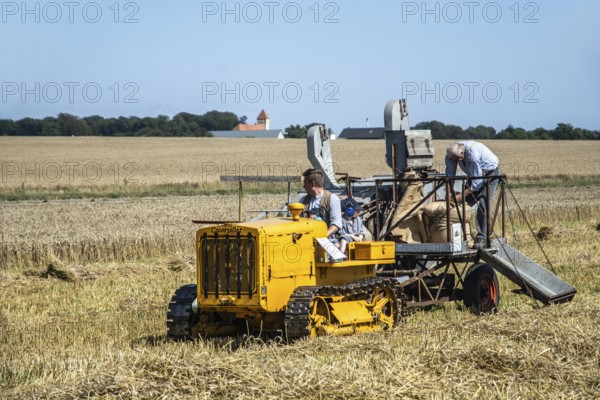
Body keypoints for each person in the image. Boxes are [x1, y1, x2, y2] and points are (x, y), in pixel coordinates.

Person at [445, 141, 501, 249]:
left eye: (460, 157)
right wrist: (449, 193)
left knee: (483, 203)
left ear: (463, 152)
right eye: (456, 158)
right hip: (474, 175)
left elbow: (477, 183)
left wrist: (461, 195)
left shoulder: (472, 154)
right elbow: (450, 177)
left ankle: (482, 238)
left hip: (490, 173)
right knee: (464, 204)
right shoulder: (451, 155)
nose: (459, 159)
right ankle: (460, 235)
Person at [301, 168, 342, 238]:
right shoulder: (303, 200)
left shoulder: (332, 199)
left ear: (312, 184)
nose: (303, 186)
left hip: (329, 241)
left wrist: (323, 236)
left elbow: (336, 224)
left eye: (305, 183)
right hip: (307, 240)